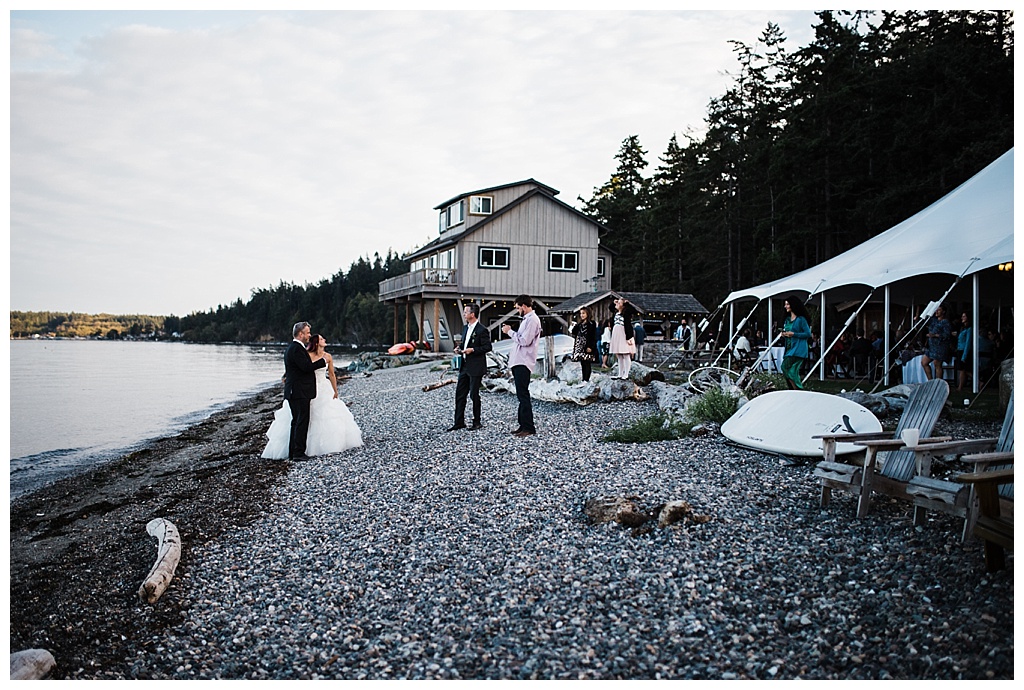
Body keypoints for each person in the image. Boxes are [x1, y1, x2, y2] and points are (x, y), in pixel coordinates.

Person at [263, 322, 325, 461]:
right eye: (308, 332)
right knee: (301, 421)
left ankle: (293, 452)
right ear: (301, 334)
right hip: (299, 391)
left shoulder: (293, 347)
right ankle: (298, 453)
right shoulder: (296, 349)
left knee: (296, 421)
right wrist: (322, 362)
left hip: (295, 391)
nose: (310, 335)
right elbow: (306, 367)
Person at [501, 294, 541, 437]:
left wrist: (509, 332)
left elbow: (525, 341)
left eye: (518, 308)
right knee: (520, 394)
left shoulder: (532, 321)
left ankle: (529, 427)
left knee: (523, 395)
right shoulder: (527, 320)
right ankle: (522, 425)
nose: (518, 310)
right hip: (519, 361)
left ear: (524, 306)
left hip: (524, 362)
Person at [448, 303, 492, 430]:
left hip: (476, 367)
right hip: (465, 365)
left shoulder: (481, 330)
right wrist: (459, 349)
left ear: (472, 314)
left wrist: (473, 350)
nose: (464, 314)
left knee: (474, 394)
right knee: (460, 394)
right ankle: (459, 422)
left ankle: (476, 422)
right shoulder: (465, 328)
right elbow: (465, 344)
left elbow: (487, 347)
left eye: (466, 312)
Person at [780, 296, 811, 389]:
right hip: (790, 348)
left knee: (787, 368)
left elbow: (807, 334)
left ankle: (797, 389)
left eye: (787, 304)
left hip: (798, 349)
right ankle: (794, 389)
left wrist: (794, 334)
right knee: (789, 370)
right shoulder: (787, 320)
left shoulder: (801, 319)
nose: (785, 306)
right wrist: (784, 334)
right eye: (785, 304)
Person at [921, 305, 951, 381]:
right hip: (931, 346)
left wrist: (935, 335)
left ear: (943, 311)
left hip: (940, 346)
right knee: (924, 362)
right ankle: (930, 381)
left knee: (937, 364)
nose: (937, 311)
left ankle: (938, 383)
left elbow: (947, 334)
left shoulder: (945, 322)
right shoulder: (933, 320)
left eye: (939, 310)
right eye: (936, 310)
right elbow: (924, 320)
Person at [569, 306, 599, 382]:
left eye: (583, 313)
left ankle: (587, 379)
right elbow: (573, 332)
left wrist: (591, 346)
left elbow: (593, 336)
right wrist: (573, 323)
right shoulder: (580, 324)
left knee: (587, 363)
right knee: (582, 363)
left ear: (587, 314)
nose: (582, 315)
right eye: (581, 313)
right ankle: (583, 379)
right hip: (580, 345)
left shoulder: (592, 324)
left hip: (587, 344)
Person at [609, 296, 635, 380]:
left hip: (624, 334)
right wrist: (614, 302)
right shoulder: (616, 313)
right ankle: (620, 373)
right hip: (616, 334)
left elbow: (632, 310)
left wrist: (626, 303)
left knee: (626, 354)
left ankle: (626, 373)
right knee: (619, 355)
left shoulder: (626, 314)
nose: (617, 304)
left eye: (619, 303)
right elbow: (611, 307)